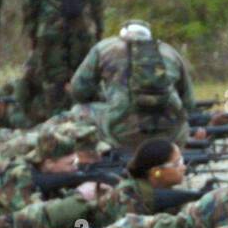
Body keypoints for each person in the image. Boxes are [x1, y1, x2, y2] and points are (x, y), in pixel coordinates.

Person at [70, 21, 196, 153]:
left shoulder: (104, 48)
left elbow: (79, 91)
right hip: (170, 133)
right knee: (182, 118)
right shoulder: (170, 52)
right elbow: (189, 103)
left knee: (78, 110)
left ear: (122, 34)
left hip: (120, 131)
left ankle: (91, 155)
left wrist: (103, 97)